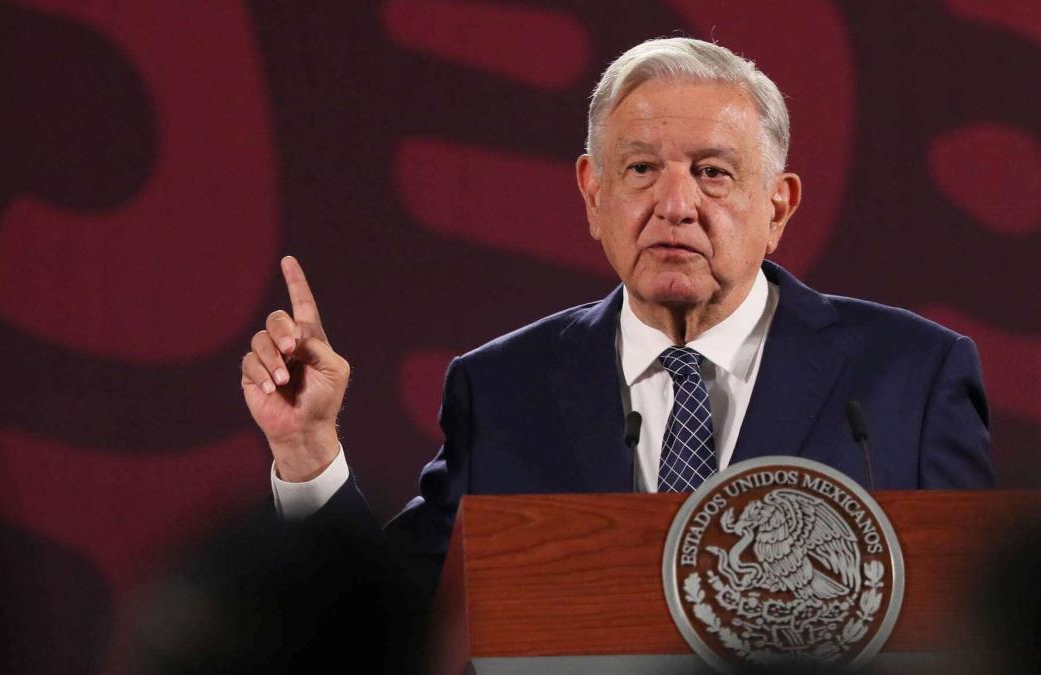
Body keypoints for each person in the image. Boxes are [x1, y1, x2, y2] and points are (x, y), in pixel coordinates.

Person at [240, 38, 993, 597]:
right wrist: (307, 450)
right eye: (640, 169)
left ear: (778, 205)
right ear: (593, 195)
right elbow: (383, 612)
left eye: (712, 172)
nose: (674, 204)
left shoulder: (908, 379)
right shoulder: (504, 388)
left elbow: (984, 621)